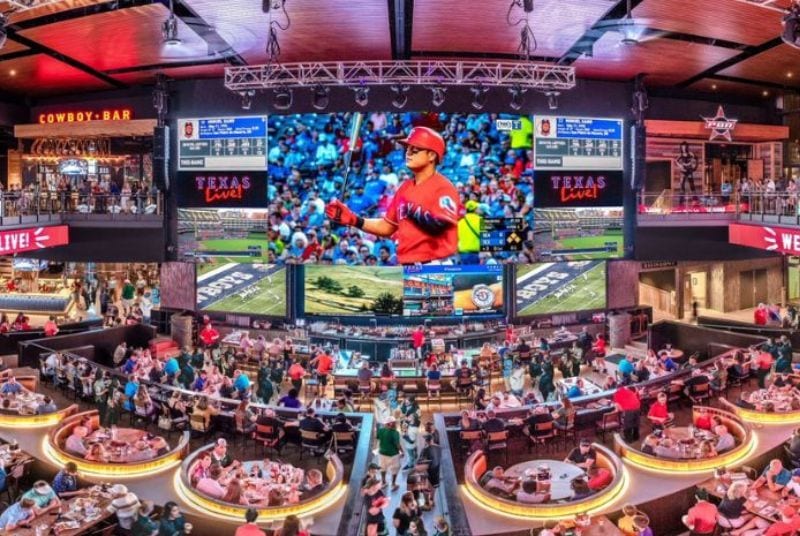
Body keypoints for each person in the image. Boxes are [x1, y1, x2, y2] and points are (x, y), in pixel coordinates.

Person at [326, 126, 460, 264]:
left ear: (432, 155)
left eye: (414, 149)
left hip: (434, 264)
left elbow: (443, 228)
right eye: (407, 149)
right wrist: (354, 219)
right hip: (409, 265)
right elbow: (386, 226)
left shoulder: (443, 187)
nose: (408, 153)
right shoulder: (405, 188)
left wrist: (412, 219)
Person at [376, 417, 403, 492]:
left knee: (382, 468)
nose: (396, 424)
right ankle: (393, 484)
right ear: (390, 423)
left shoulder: (381, 430)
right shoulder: (395, 433)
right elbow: (397, 445)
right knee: (395, 469)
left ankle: (384, 482)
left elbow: (378, 438)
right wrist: (402, 452)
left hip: (382, 454)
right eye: (394, 422)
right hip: (393, 455)